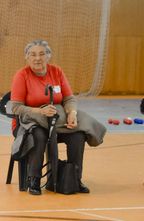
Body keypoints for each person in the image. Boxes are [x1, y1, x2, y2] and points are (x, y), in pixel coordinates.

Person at [8, 40, 92, 196]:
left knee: (78, 135)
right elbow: (16, 108)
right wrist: (40, 112)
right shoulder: (22, 75)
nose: (37, 58)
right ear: (27, 58)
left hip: (56, 122)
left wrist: (71, 113)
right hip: (29, 124)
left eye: (41, 54)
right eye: (33, 55)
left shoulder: (57, 72)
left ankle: (75, 178)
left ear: (48, 56)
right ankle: (34, 179)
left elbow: (68, 98)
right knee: (38, 135)